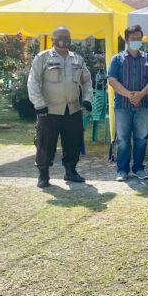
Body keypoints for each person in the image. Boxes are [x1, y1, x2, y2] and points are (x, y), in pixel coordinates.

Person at [27, 26, 93, 188]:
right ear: (53, 39)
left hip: (73, 109)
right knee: (45, 143)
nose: (64, 40)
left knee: (73, 142)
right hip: (48, 110)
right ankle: (43, 175)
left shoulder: (77, 59)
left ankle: (70, 171)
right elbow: (33, 81)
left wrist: (87, 99)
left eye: (67, 36)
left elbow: (87, 81)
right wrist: (39, 103)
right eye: (60, 37)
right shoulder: (43, 58)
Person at [107, 25, 148, 181]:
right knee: (123, 139)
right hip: (122, 106)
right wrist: (130, 95)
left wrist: (141, 94)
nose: (136, 41)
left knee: (141, 138)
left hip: (144, 106)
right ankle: (122, 170)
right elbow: (112, 80)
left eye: (138, 38)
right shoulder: (117, 59)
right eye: (133, 38)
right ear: (127, 40)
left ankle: (138, 168)